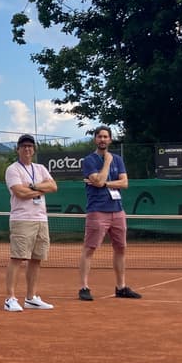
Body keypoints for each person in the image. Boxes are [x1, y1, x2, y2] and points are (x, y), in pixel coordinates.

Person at [79, 126, 141, 301]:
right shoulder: (89, 160)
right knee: (89, 248)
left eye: (106, 137)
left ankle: (121, 287)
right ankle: (84, 287)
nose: (102, 140)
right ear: (95, 139)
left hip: (118, 211)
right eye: (99, 137)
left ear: (110, 139)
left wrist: (105, 183)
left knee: (121, 248)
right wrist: (106, 163)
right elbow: (97, 181)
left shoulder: (118, 159)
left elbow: (125, 183)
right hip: (97, 211)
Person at [3, 134, 58, 311]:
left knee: (36, 259)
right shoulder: (13, 169)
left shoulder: (40, 168)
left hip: (41, 219)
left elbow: (53, 187)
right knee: (17, 258)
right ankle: (10, 298)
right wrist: (40, 188)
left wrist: (32, 187)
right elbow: (19, 192)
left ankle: (31, 297)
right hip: (22, 219)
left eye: (30, 146)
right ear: (18, 149)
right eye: (24, 146)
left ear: (33, 150)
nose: (27, 149)